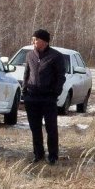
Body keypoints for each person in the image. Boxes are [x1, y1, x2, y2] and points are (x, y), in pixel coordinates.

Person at [22, 29, 65, 165]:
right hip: (32, 98)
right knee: (35, 128)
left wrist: (54, 93)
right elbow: (26, 74)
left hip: (48, 99)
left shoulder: (56, 56)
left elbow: (60, 77)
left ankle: (53, 156)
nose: (33, 42)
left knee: (51, 128)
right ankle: (38, 154)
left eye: (36, 39)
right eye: (33, 39)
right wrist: (24, 91)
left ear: (44, 41)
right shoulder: (30, 55)